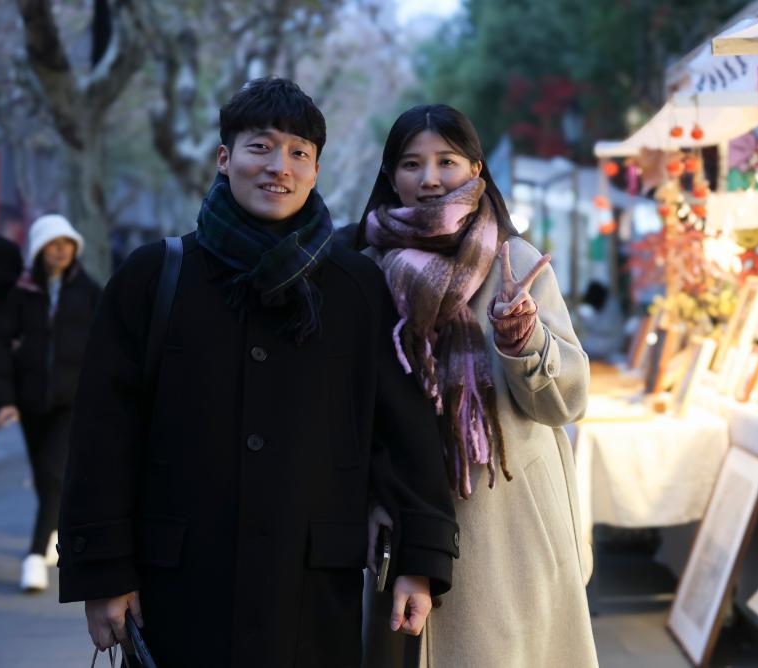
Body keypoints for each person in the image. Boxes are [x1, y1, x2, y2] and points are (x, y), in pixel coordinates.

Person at [57, 78, 458, 668]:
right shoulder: (154, 276)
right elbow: (103, 434)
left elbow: (402, 431)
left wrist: (419, 562)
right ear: (225, 158)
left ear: (316, 170)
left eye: (299, 152)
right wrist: (103, 572)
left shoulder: (356, 287)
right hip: (179, 588)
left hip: (312, 592)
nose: (279, 167)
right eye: (260, 147)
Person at [354, 104, 597, 667]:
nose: (430, 178)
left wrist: (523, 339)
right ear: (390, 175)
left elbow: (567, 401)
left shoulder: (515, 260)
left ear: (476, 170)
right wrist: (369, 500)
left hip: (509, 527)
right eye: (412, 164)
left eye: (447, 161)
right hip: (406, 519)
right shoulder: (365, 269)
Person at [0, 214, 100, 592]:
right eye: (54, 245)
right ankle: (52, 528)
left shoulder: (88, 291)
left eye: (67, 244)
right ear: (39, 249)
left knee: (54, 472)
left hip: (72, 400)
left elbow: (107, 344)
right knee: (42, 474)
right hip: (31, 400)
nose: (61, 251)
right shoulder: (21, 294)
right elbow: (0, 348)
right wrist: (4, 401)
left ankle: (35, 556)